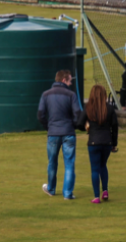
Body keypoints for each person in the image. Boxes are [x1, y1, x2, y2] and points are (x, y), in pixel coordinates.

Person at [38, 69, 84, 199]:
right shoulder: (71, 95)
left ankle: (51, 189)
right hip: (68, 132)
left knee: (52, 162)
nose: (70, 83)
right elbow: (77, 114)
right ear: (64, 80)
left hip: (53, 133)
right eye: (69, 80)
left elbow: (40, 115)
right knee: (69, 163)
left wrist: (49, 127)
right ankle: (67, 193)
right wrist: (73, 125)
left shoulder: (46, 94)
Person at [84, 84, 118, 204]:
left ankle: (96, 196)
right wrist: (114, 143)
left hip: (93, 141)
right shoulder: (109, 108)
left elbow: (78, 122)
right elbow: (115, 127)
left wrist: (86, 127)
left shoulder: (88, 108)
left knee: (95, 169)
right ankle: (105, 190)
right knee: (103, 165)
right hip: (106, 141)